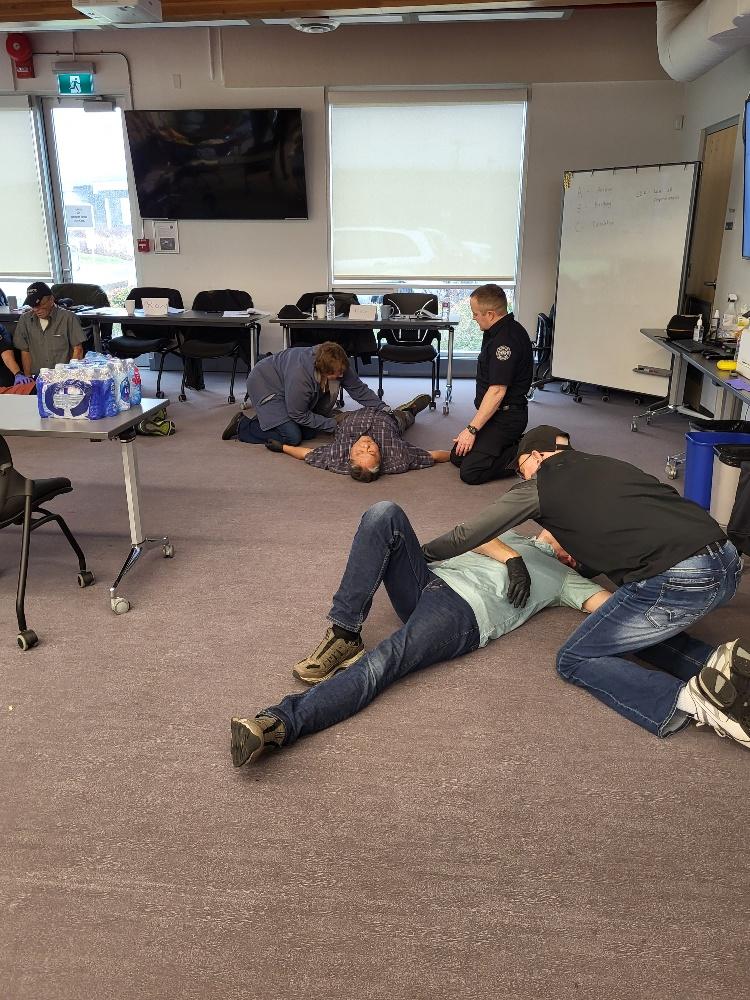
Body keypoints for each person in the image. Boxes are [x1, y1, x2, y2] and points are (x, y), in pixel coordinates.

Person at [421, 423, 748, 750]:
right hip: (728, 561)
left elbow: (468, 534)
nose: (523, 477)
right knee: (625, 631)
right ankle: (720, 664)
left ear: (538, 456)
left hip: (682, 577)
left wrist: (422, 554)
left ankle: (691, 700)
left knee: (575, 658)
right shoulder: (610, 465)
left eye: (522, 469)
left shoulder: (540, 485)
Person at [230, 500, 611, 766]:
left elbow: (610, 606)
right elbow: (474, 534)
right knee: (384, 514)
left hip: (460, 612)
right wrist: (512, 558)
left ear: (576, 557)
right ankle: (345, 633)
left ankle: (278, 724)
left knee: (383, 663)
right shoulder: (513, 536)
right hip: (428, 579)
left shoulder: (568, 579)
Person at [222, 342, 385, 445]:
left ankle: (271, 419)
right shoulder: (300, 376)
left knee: (309, 432)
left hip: (286, 385)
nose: (342, 376)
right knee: (292, 437)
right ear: (323, 371)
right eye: (337, 374)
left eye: (343, 371)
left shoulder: (338, 362)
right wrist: (332, 424)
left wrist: (383, 407)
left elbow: (358, 389)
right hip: (264, 384)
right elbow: (298, 414)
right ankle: (242, 426)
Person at [451, 284, 533, 486]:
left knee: (471, 472)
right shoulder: (497, 330)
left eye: (475, 314)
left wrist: (471, 430)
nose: (473, 318)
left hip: (508, 418)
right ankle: (509, 444)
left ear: (490, 314)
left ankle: (527, 451)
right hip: (495, 414)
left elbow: (497, 391)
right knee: (457, 456)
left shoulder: (504, 342)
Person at [264, 394, 450, 482]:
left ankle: (331, 411)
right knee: (405, 418)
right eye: (372, 452)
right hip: (388, 418)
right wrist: (458, 454)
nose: (366, 446)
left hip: (347, 419)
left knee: (324, 419)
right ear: (381, 457)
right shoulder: (399, 457)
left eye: (360, 452)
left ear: (350, 457)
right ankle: (410, 409)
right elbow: (433, 455)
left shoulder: (336, 457)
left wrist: (282, 448)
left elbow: (307, 454)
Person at [13, 281, 87, 376]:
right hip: (38, 377)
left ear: (51, 299)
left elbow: (78, 350)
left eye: (40, 305)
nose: (36, 309)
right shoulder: (25, 319)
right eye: (33, 306)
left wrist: (70, 377)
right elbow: (25, 351)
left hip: (63, 376)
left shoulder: (69, 318)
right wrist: (28, 378)